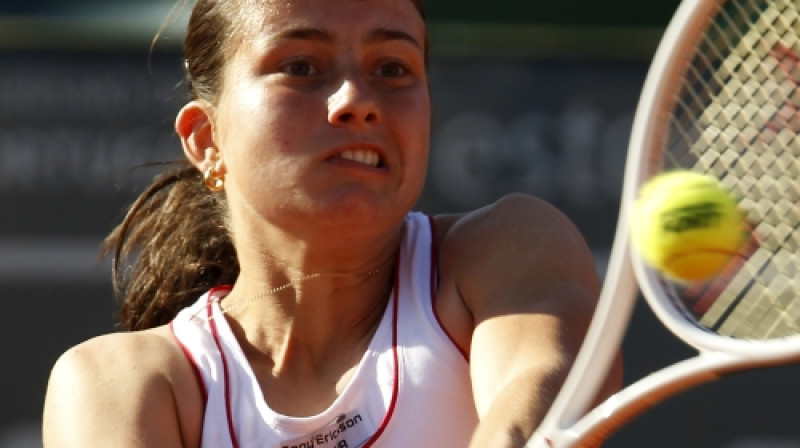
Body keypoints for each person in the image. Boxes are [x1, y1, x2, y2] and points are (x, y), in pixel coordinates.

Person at [42, 0, 622, 446]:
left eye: (392, 68)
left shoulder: (511, 248)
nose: (356, 99)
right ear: (206, 139)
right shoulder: (115, 384)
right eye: (300, 66)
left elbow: (533, 419)